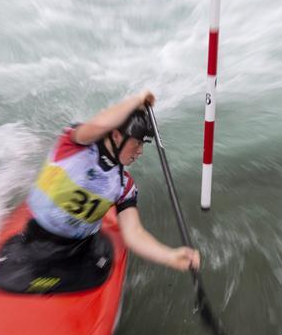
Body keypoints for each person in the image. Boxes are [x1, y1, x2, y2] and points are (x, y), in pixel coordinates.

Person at [18, 90, 199, 290]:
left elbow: (134, 234)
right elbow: (99, 125)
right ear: (115, 135)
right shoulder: (74, 145)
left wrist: (170, 256)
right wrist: (136, 100)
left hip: (79, 250)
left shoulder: (124, 186)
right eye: (137, 143)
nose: (140, 151)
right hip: (35, 236)